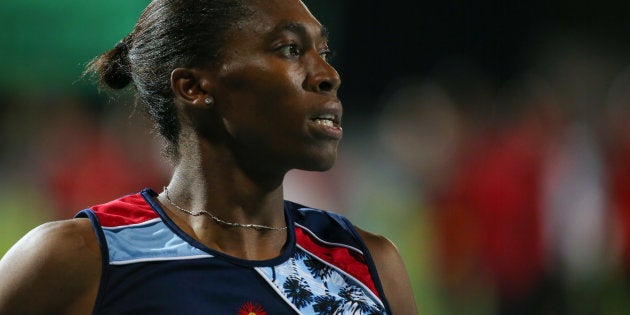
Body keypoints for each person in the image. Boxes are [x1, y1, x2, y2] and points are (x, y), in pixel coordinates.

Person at [0, 0, 417, 313]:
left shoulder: (367, 264)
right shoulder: (84, 259)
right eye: (290, 49)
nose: (328, 75)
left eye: (323, 53)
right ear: (194, 88)